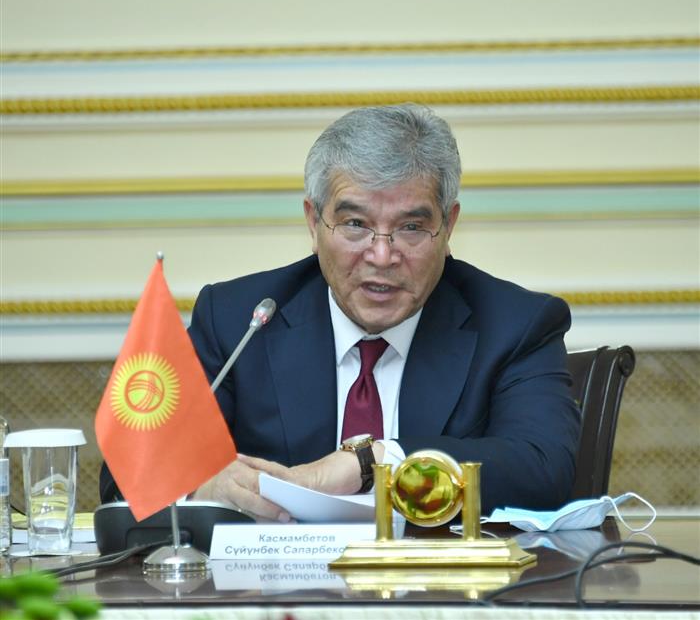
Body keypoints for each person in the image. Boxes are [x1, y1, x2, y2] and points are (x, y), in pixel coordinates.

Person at [100, 104, 580, 522]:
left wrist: (373, 463)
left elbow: (544, 469)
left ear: (448, 226)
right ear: (314, 222)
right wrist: (205, 488)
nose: (382, 255)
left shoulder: (515, 325)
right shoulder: (239, 320)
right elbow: (127, 473)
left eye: (411, 228)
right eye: (355, 223)